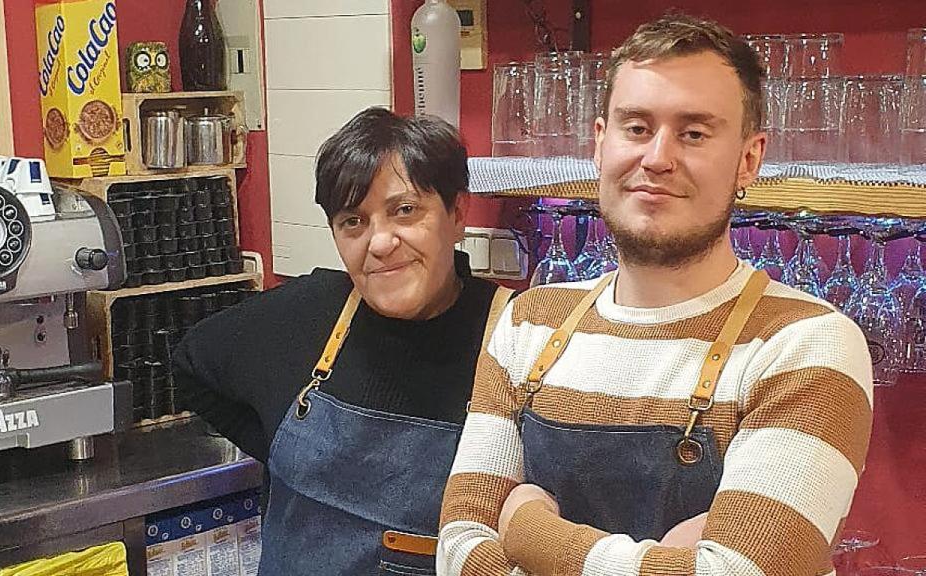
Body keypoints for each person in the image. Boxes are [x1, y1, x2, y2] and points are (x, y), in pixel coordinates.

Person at [437, 14, 873, 576]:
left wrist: (526, 527)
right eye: (637, 128)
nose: (658, 158)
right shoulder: (529, 322)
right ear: (600, 144)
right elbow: (457, 550)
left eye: (693, 132)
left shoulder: (808, 345)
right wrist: (668, 560)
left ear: (749, 159)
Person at [174, 107, 512, 575]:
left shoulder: (518, 336)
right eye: (354, 221)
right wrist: (277, 447)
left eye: (405, 210)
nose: (379, 242)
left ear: (457, 214)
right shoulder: (313, 311)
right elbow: (192, 364)